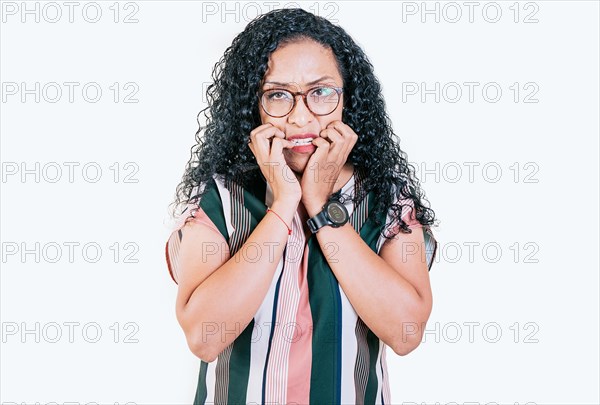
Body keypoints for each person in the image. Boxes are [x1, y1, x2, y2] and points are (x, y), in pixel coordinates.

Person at [165, 8, 438, 405]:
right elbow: (204, 337)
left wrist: (320, 204)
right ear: (253, 105)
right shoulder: (220, 200)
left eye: (321, 92)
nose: (300, 115)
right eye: (278, 95)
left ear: (348, 99)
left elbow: (406, 332)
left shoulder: (387, 201)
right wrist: (284, 204)